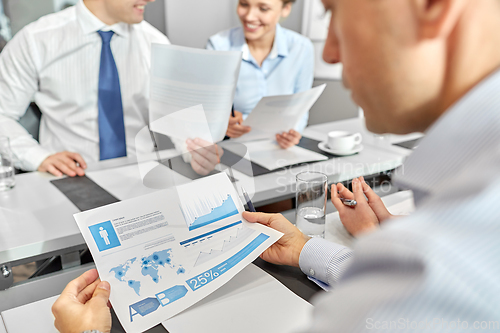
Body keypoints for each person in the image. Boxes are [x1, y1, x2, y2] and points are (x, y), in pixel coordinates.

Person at [52, 0, 500, 331]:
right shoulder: (459, 214)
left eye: (336, 12)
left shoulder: (459, 243)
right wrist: (307, 249)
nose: (330, 53)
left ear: (432, 7)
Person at [0, 0, 168, 177]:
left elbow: (179, 124)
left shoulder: (156, 43)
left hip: (142, 177)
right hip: (70, 178)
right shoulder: (36, 40)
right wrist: (38, 157)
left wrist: (195, 153)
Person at [207, 0, 314, 149]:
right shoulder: (218, 46)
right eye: (244, 4)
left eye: (263, 9)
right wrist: (222, 124)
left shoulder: (301, 48)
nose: (249, 17)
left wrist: (293, 133)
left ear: (286, 9)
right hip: (233, 147)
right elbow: (210, 110)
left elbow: (301, 109)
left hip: (282, 148)